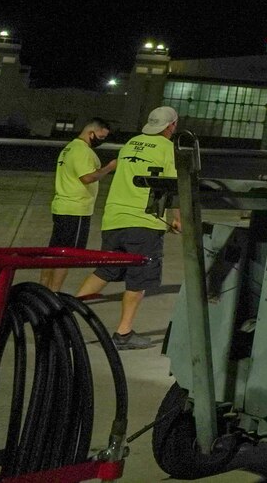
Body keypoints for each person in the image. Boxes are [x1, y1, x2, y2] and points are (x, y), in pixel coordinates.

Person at [75, 106, 179, 350]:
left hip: (113, 219)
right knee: (138, 279)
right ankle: (123, 333)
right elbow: (172, 185)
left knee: (105, 271)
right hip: (143, 222)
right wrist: (177, 218)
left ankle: (61, 312)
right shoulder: (166, 149)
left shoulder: (131, 144)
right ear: (171, 126)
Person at [43, 118, 114, 291]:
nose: (101, 141)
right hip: (76, 210)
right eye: (101, 137)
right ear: (92, 132)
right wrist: (109, 167)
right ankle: (54, 293)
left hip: (61, 206)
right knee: (67, 255)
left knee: (53, 252)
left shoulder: (69, 148)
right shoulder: (82, 151)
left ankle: (43, 289)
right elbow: (87, 177)